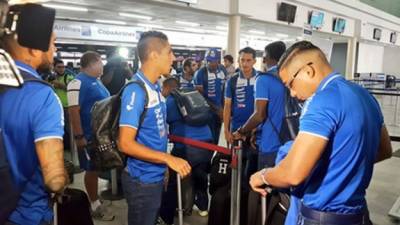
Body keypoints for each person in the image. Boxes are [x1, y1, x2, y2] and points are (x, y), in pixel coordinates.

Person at [250, 41, 393, 225]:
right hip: (358, 215)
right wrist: (340, 167)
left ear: (308, 71)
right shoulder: (365, 95)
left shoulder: (321, 101)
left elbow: (293, 174)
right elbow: (384, 150)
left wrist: (262, 175)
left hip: (321, 217)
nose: (292, 93)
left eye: (290, 84)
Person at [117, 31, 191, 225]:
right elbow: (124, 143)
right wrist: (168, 158)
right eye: (169, 52)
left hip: (154, 176)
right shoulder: (136, 91)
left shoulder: (156, 87)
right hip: (141, 181)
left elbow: (157, 131)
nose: (173, 58)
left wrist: (163, 165)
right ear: (153, 55)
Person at [0, 30, 68, 224]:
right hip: (25, 214)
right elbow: (54, 180)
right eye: (53, 43)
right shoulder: (41, 95)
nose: (55, 49)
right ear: (33, 49)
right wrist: (63, 180)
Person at [67, 51, 114, 221]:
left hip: (99, 135)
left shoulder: (96, 81)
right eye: (101, 62)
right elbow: (73, 111)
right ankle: (94, 205)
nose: (102, 66)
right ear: (93, 63)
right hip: (87, 136)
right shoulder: (77, 82)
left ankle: (95, 198)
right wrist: (79, 137)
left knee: (97, 167)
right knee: (91, 169)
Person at [233, 41, 286, 170]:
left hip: (270, 143)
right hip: (289, 142)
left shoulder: (263, 79)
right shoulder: (288, 77)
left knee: (261, 186)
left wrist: (241, 131)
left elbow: (259, 115)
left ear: (264, 58)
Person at [194, 48, 227, 144]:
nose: (211, 64)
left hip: (221, 109)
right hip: (208, 111)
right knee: (209, 138)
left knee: (221, 136)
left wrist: (225, 109)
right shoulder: (200, 73)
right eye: (208, 61)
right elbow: (200, 96)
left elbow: (225, 90)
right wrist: (216, 109)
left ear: (218, 60)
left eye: (214, 61)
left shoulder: (223, 70)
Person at [49, 58, 75, 151]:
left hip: (67, 106)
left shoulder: (69, 76)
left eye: (63, 67)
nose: (61, 69)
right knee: (59, 127)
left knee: (69, 128)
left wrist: (59, 85)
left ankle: (69, 147)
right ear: (54, 67)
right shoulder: (51, 78)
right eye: (59, 67)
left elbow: (71, 88)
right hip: (55, 107)